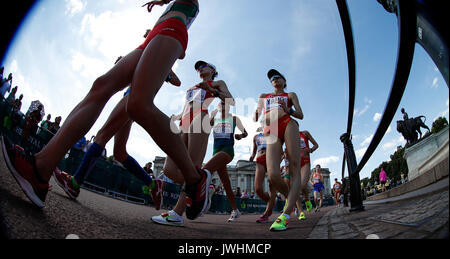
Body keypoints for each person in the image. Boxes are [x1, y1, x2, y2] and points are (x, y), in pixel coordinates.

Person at [2, 0, 211, 220]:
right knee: (101, 86)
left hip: (172, 28)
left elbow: (180, 58)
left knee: (138, 105)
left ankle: (195, 180)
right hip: (155, 34)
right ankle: (40, 169)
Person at [152, 60, 234, 227]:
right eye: (197, 68)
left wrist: (212, 91)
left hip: (200, 118)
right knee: (169, 168)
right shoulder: (193, 87)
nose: (200, 69)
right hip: (184, 122)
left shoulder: (217, 83)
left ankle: (176, 214)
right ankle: (202, 188)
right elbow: (186, 106)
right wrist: (176, 116)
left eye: (203, 66)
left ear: (212, 69)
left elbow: (230, 100)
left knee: (193, 166)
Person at [254, 69, 304, 231]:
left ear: (284, 80)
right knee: (274, 175)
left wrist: (288, 109)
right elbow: (256, 117)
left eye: (277, 77)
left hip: (287, 123)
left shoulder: (290, 95)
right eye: (272, 78)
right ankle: (293, 199)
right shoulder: (264, 96)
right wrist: (257, 111)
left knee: (295, 166)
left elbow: (300, 114)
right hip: (271, 129)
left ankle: (286, 215)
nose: (274, 79)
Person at [201, 101, 247, 222]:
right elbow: (205, 128)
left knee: (204, 170)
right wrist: (211, 116)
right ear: (217, 106)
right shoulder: (214, 119)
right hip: (215, 152)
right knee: (226, 183)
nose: (223, 105)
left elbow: (245, 133)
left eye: (225, 103)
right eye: (221, 103)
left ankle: (202, 203)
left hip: (227, 151)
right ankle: (235, 210)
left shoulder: (234, 118)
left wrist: (240, 136)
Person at [250, 126, 277, 223]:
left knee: (271, 185)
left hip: (271, 158)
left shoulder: (272, 134)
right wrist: (252, 156)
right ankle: (271, 202)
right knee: (257, 189)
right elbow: (254, 150)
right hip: (259, 159)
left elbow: (279, 148)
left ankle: (266, 213)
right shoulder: (256, 137)